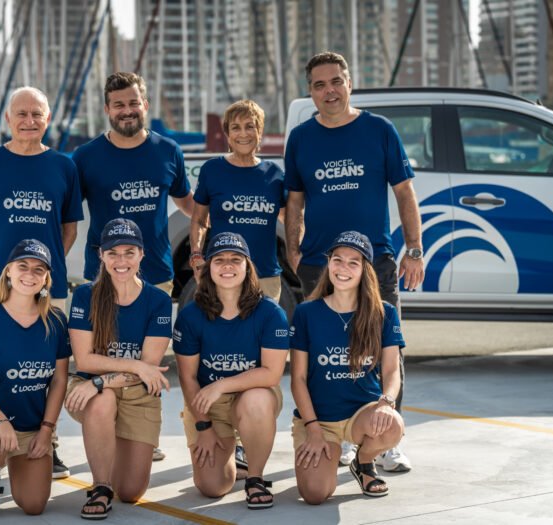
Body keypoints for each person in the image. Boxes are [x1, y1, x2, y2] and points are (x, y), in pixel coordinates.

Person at [284, 51, 423, 472]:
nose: (329, 91)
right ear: (310, 92)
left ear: (350, 82)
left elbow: (403, 192)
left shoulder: (379, 130)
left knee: (385, 349)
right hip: (318, 263)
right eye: (319, 85)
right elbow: (294, 201)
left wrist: (413, 249)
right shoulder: (302, 138)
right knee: (326, 349)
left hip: (376, 261)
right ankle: (338, 434)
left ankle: (386, 434)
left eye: (336, 81)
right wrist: (293, 248)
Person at [0, 86, 82, 479]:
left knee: (48, 365)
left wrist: (42, 273)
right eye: (22, 114)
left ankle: (51, 442)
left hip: (49, 286)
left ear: (48, 119)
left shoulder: (64, 167)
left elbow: (68, 230)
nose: (29, 121)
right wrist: (0, 273)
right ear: (8, 119)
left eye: (37, 114)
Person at [73, 72, 194, 461]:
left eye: (133, 103)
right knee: (110, 354)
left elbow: (190, 205)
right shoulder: (86, 157)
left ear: (145, 104)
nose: (127, 111)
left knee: (147, 362)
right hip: (106, 276)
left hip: (156, 273)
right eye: (119, 105)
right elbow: (66, 214)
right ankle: (106, 424)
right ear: (107, 109)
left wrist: (208, 238)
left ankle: (143, 434)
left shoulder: (167, 151)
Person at [64, 218, 172, 520]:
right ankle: (99, 486)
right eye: (113, 253)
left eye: (129, 252)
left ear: (141, 254)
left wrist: (102, 380)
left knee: (131, 491)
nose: (120, 260)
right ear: (101, 256)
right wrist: (133, 366)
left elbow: (149, 369)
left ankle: (114, 450)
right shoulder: (86, 295)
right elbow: (84, 361)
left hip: (136, 395)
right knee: (103, 402)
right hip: (89, 391)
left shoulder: (159, 301)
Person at [173, 232, 288, 509]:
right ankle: (231, 452)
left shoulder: (270, 313)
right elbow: (187, 377)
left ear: (247, 266)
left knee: (257, 400)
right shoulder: (191, 314)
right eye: (220, 260)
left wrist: (220, 385)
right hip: (207, 405)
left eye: (235, 259)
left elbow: (271, 374)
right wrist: (203, 426)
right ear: (208, 268)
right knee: (213, 487)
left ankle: (256, 477)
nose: (227, 266)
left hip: (248, 395)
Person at [0, 239, 71, 518]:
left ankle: (16, 459)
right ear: (8, 271)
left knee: (33, 505)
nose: (29, 275)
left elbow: (58, 382)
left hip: (32, 426)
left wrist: (47, 431)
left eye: (38, 269)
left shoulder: (55, 321)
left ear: (46, 278)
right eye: (23, 266)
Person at [290, 231, 405, 503]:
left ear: (365, 270)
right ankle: (323, 452)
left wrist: (386, 402)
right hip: (319, 419)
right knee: (315, 494)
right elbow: (298, 379)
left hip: (361, 414)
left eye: (353, 262)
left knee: (393, 425)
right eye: (337, 259)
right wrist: (314, 429)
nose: (343, 268)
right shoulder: (307, 313)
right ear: (328, 263)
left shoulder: (384, 312)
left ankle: (364, 462)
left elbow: (391, 371)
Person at [189, 99, 286, 301]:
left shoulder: (274, 174)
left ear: (260, 133)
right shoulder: (212, 170)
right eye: (236, 128)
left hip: (265, 277)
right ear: (228, 135)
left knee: (264, 332)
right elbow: (199, 220)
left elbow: (292, 220)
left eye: (250, 126)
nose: (243, 134)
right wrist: (197, 256)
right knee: (223, 332)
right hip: (223, 275)